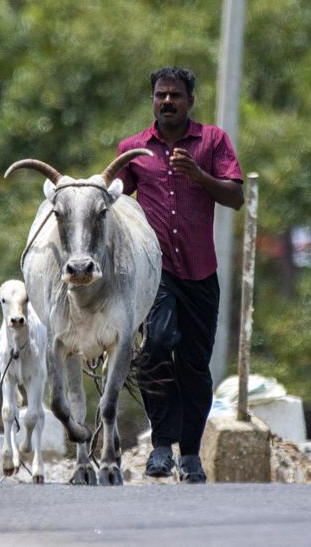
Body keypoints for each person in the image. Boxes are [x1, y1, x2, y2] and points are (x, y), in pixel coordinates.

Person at [116, 66, 244, 483]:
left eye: (174, 95)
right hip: (155, 273)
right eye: (160, 95)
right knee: (155, 343)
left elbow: (236, 196)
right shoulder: (133, 149)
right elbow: (108, 198)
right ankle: (160, 445)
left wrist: (199, 176)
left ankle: (190, 454)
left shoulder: (212, 141)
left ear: (190, 100)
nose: (167, 101)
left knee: (194, 365)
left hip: (201, 271)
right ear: (152, 100)